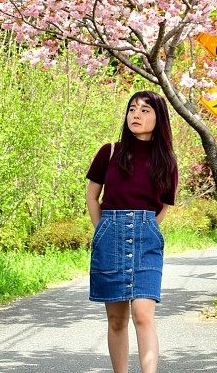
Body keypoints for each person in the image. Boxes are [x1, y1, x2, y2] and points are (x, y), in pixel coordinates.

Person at [86, 90, 178, 373]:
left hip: (146, 240)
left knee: (143, 313)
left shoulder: (167, 161)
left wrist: (146, 228)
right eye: (132, 109)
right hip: (109, 236)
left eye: (145, 110)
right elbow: (92, 196)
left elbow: (163, 207)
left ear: (158, 118)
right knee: (116, 319)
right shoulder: (109, 152)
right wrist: (103, 229)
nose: (136, 115)